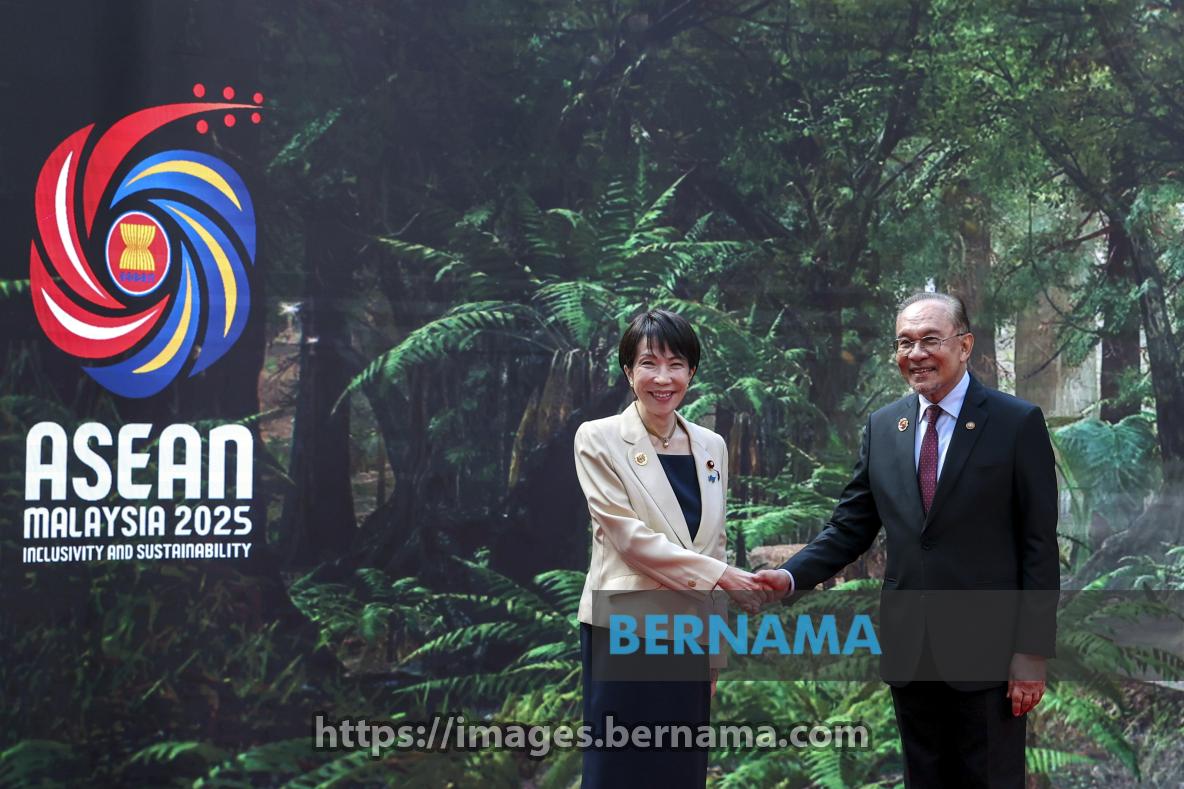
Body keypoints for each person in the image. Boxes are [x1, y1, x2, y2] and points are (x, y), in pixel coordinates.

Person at [756, 292, 1059, 788]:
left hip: (990, 656)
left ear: (965, 345)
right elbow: (850, 527)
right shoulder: (883, 426)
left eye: (929, 340)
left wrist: (1032, 651)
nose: (915, 354)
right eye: (904, 343)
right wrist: (789, 577)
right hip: (911, 653)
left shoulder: (1015, 423)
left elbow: (1039, 545)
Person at [574, 309, 769, 789]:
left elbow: (715, 544)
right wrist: (722, 577)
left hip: (690, 635)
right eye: (649, 363)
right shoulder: (598, 438)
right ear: (628, 372)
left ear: (691, 372)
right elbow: (629, 540)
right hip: (623, 629)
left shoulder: (711, 446)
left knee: (681, 770)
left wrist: (714, 651)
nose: (663, 378)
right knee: (619, 769)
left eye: (676, 364)